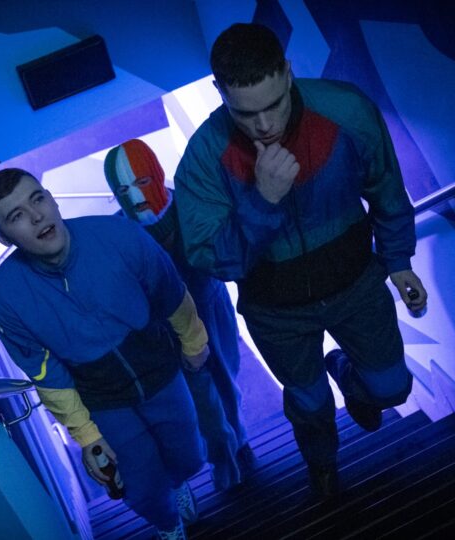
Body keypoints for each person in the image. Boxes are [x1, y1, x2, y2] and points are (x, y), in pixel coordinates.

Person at [174, 23, 428, 498]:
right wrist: (262, 202)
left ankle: (345, 372)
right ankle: (322, 464)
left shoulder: (346, 110)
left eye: (273, 104)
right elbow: (211, 259)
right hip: (275, 311)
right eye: (245, 112)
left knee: (393, 388)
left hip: (357, 284)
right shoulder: (204, 157)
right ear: (219, 92)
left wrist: (398, 261)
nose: (264, 125)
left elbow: (386, 188)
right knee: (309, 403)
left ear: (288, 72)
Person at [0, 168, 207, 539]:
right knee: (140, 485)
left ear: (51, 198)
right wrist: (86, 436)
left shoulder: (118, 235)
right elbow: (45, 372)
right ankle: (168, 523)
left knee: (189, 455)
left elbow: (169, 291)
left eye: (37, 199)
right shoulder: (5, 297)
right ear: (3, 236)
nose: (36, 216)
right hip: (101, 400)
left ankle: (179, 483)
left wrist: (194, 342)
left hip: (161, 372)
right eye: (17, 216)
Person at [103, 139, 256, 491]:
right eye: (123, 190)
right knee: (200, 398)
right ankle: (225, 456)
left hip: (211, 308)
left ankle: (239, 441)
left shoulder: (190, 204)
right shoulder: (120, 233)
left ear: (156, 175)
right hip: (166, 328)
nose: (135, 196)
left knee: (226, 379)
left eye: (142, 182)